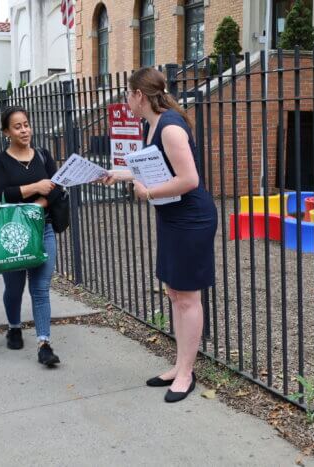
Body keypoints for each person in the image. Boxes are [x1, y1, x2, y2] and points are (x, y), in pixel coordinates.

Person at [101, 67, 218, 403]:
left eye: (128, 94)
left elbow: (190, 180)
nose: (126, 100)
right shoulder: (152, 124)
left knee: (187, 297)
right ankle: (181, 365)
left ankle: (186, 373)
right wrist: (119, 174)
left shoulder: (169, 127)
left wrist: (147, 193)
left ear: (139, 95)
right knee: (174, 292)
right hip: (173, 219)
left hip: (191, 219)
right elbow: (152, 169)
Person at [0, 105, 63, 367]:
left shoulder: (43, 156)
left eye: (26, 124)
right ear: (6, 131)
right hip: (13, 232)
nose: (24, 130)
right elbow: (2, 194)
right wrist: (36, 188)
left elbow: (57, 190)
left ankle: (44, 343)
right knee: (14, 287)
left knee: (40, 288)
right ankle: (14, 326)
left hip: (42, 229)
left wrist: (39, 203)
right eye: (18, 126)